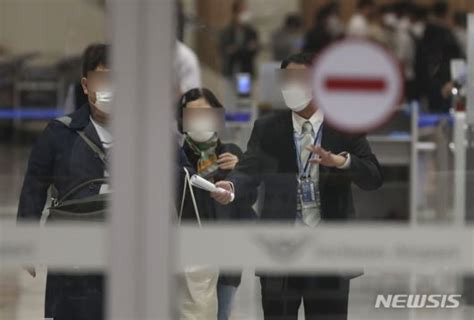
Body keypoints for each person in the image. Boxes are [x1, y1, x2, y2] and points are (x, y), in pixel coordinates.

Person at [211, 52, 383, 320]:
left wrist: (342, 162)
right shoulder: (268, 128)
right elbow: (248, 170)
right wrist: (231, 188)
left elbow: (373, 177)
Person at [178, 88, 256, 320]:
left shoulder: (231, 153)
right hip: (190, 257)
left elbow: (250, 197)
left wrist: (239, 170)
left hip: (227, 255)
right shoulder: (177, 158)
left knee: (222, 313)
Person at [417, 1, 464, 113]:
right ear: (445, 12)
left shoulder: (425, 29)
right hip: (444, 73)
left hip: (429, 72)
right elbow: (455, 55)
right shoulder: (447, 32)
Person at [219, 0, 259, 78]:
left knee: (244, 90)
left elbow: (253, 50)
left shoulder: (251, 32)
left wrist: (237, 49)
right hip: (230, 71)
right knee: (229, 90)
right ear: (235, 13)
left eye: (246, 11)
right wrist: (244, 48)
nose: (245, 14)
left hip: (245, 71)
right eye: (242, 11)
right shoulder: (227, 31)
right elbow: (224, 50)